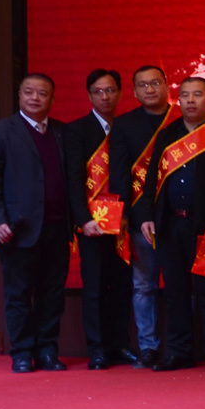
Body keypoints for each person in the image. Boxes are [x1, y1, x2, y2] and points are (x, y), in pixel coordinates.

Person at [136, 76, 205, 372]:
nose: (190, 100)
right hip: (170, 225)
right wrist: (147, 215)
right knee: (175, 291)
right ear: (177, 99)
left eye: (197, 94)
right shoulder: (167, 135)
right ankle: (180, 352)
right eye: (185, 95)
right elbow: (151, 180)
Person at [0, 72, 73, 372]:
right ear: (19, 96)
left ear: (52, 99)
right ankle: (21, 352)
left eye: (42, 93)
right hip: (17, 229)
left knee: (52, 294)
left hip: (57, 226)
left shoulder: (63, 132)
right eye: (28, 91)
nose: (35, 97)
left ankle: (47, 351)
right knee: (18, 293)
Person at [61, 69, 137, 369]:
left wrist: (126, 215)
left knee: (121, 286)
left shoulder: (127, 127)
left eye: (110, 90)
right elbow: (73, 179)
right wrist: (83, 219)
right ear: (89, 95)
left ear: (120, 93)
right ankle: (97, 349)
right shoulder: (76, 131)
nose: (105, 97)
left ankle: (119, 345)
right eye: (98, 91)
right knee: (93, 287)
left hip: (122, 223)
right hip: (91, 223)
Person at [110, 66, 180, 368]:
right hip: (141, 217)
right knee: (143, 286)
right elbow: (119, 173)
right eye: (142, 85)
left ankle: (182, 346)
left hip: (178, 217)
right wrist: (123, 214)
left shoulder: (184, 119)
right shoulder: (124, 125)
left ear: (166, 85)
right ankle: (148, 346)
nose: (149, 89)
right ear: (134, 91)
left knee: (180, 284)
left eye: (155, 83)